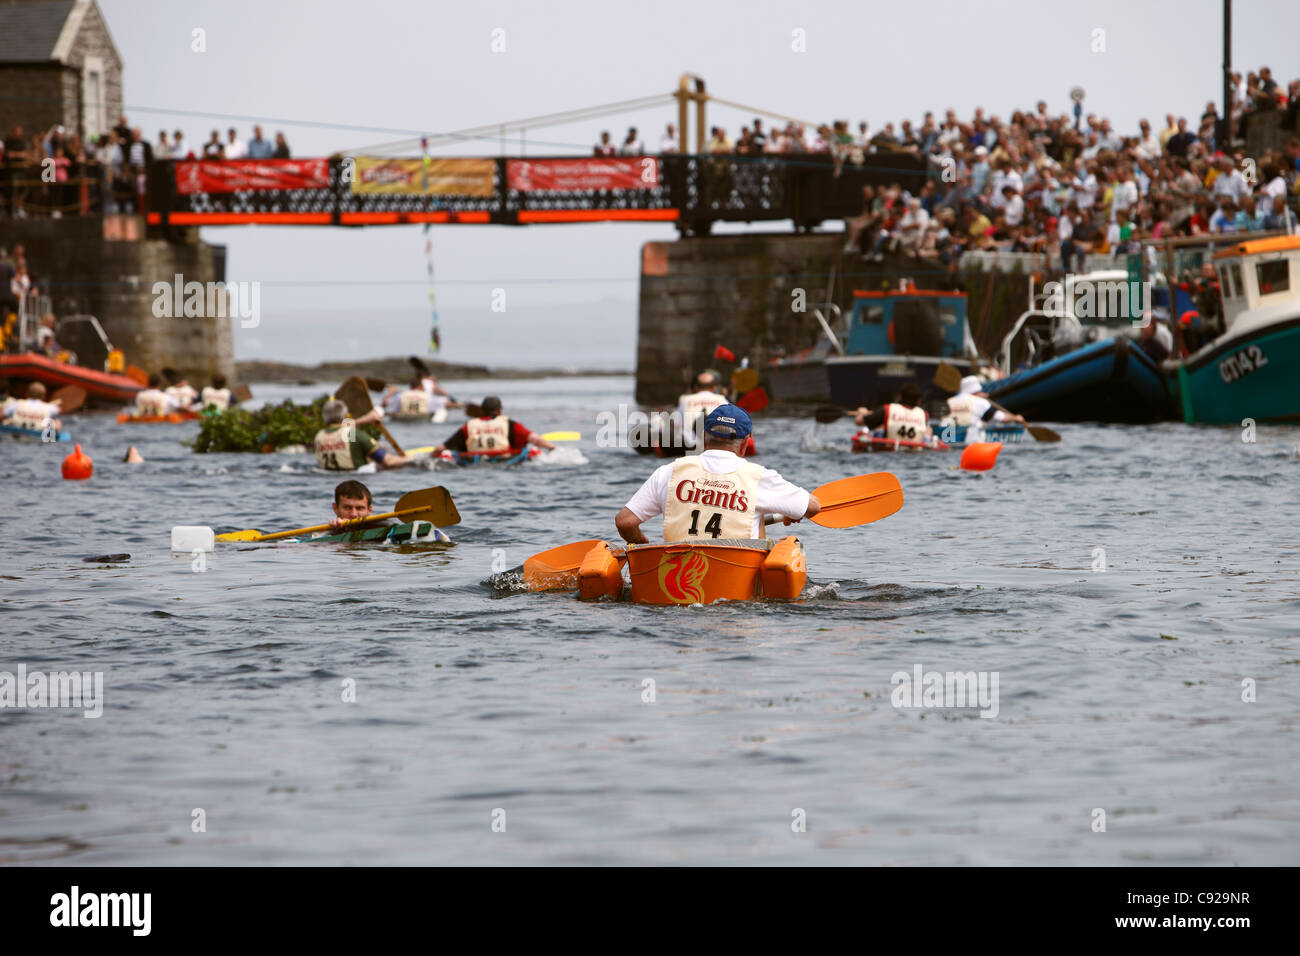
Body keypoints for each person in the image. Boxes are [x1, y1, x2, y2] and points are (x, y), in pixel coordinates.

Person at [615, 404, 819, 544]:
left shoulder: (669, 471)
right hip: (735, 591)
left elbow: (625, 522)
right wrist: (790, 512)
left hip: (677, 582)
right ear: (745, 444)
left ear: (704, 438)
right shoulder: (759, 477)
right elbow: (812, 507)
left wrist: (642, 545)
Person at [430, 396, 555, 459]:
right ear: (500, 411)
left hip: (475, 461)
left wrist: (431, 456)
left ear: (482, 411)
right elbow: (535, 439)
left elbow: (441, 448)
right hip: (504, 459)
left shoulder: (470, 425)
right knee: (533, 450)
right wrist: (551, 447)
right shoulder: (509, 424)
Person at [313, 399, 411, 470]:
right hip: (354, 477)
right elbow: (388, 461)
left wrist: (366, 419)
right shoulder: (353, 435)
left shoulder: (319, 436)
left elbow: (342, 431)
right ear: (346, 416)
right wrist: (409, 460)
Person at [853, 382, 933, 443]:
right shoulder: (924, 414)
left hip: (889, 446)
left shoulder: (887, 409)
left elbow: (858, 421)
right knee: (928, 429)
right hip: (916, 448)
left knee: (880, 426)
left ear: (900, 397)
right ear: (918, 401)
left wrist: (862, 413)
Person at [676, 369, 729, 449]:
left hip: (689, 446)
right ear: (714, 387)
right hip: (716, 445)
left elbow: (676, 425)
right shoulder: (722, 399)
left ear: (696, 387)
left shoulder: (685, 400)